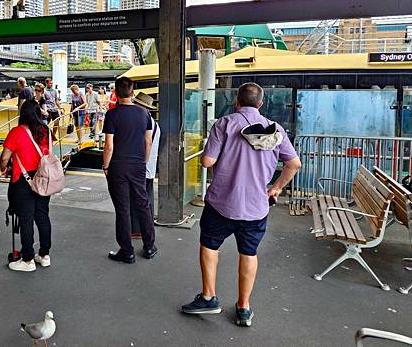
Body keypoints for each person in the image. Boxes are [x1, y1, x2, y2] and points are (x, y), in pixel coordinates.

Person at [181, 82, 301, 327]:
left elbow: (206, 161)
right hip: (256, 207)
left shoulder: (224, 124)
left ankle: (208, 297)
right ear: (261, 104)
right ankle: (244, 308)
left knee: (209, 245)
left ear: (237, 101)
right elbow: (294, 164)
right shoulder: (275, 129)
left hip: (221, 204)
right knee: (249, 253)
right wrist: (275, 188)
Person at [102, 77, 157, 264]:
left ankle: (127, 251)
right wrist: (143, 162)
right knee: (143, 205)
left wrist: (106, 166)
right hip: (138, 166)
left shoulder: (112, 115)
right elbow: (147, 141)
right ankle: (149, 246)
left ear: (116, 94)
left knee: (123, 209)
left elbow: (109, 146)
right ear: (133, 93)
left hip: (117, 166)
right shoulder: (145, 115)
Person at [0, 101, 52, 272]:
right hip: (44, 178)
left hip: (24, 180)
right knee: (42, 216)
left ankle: (28, 259)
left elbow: (4, 158)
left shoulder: (17, 132)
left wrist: (5, 169)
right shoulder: (46, 131)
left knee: (26, 219)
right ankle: (44, 255)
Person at [130, 92, 160, 238]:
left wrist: (141, 163)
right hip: (148, 168)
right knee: (145, 198)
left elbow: (146, 143)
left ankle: (139, 230)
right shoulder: (153, 122)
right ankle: (145, 229)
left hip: (143, 167)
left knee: (139, 200)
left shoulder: (145, 122)